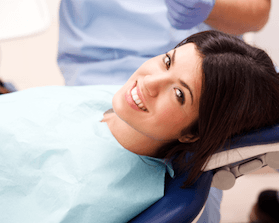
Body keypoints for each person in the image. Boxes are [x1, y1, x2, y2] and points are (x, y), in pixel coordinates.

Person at [1, 30, 279, 222]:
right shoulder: (113, 101)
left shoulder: (96, 197)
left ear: (192, 133)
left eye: (179, 94)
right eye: (167, 61)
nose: (148, 82)